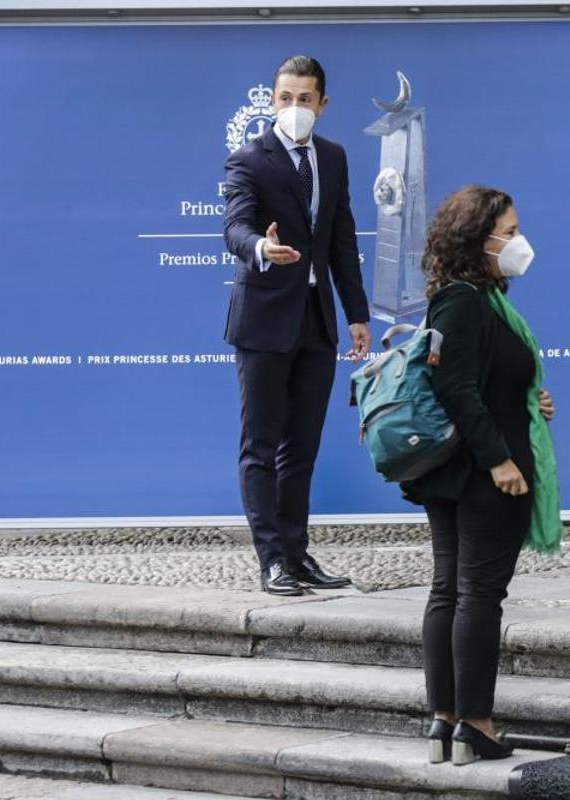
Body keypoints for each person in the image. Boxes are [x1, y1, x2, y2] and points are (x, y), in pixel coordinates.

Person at [400, 186, 562, 765]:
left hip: (463, 469)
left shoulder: (477, 299)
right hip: (483, 473)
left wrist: (527, 400)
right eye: (510, 232)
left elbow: (484, 378)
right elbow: (456, 387)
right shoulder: (464, 300)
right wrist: (500, 460)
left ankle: (444, 722)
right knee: (475, 594)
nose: (520, 242)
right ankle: (475, 722)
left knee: (452, 590)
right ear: (479, 239)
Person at [222, 55, 371, 596]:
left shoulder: (333, 157)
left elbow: (341, 240)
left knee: (301, 448)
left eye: (304, 99)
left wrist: (357, 314)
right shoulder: (248, 158)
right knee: (260, 447)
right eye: (285, 98)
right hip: (263, 320)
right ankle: (272, 561)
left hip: (316, 320)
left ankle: (296, 553)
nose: (294, 107)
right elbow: (235, 226)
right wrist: (261, 248)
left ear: (322, 104)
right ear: (272, 100)